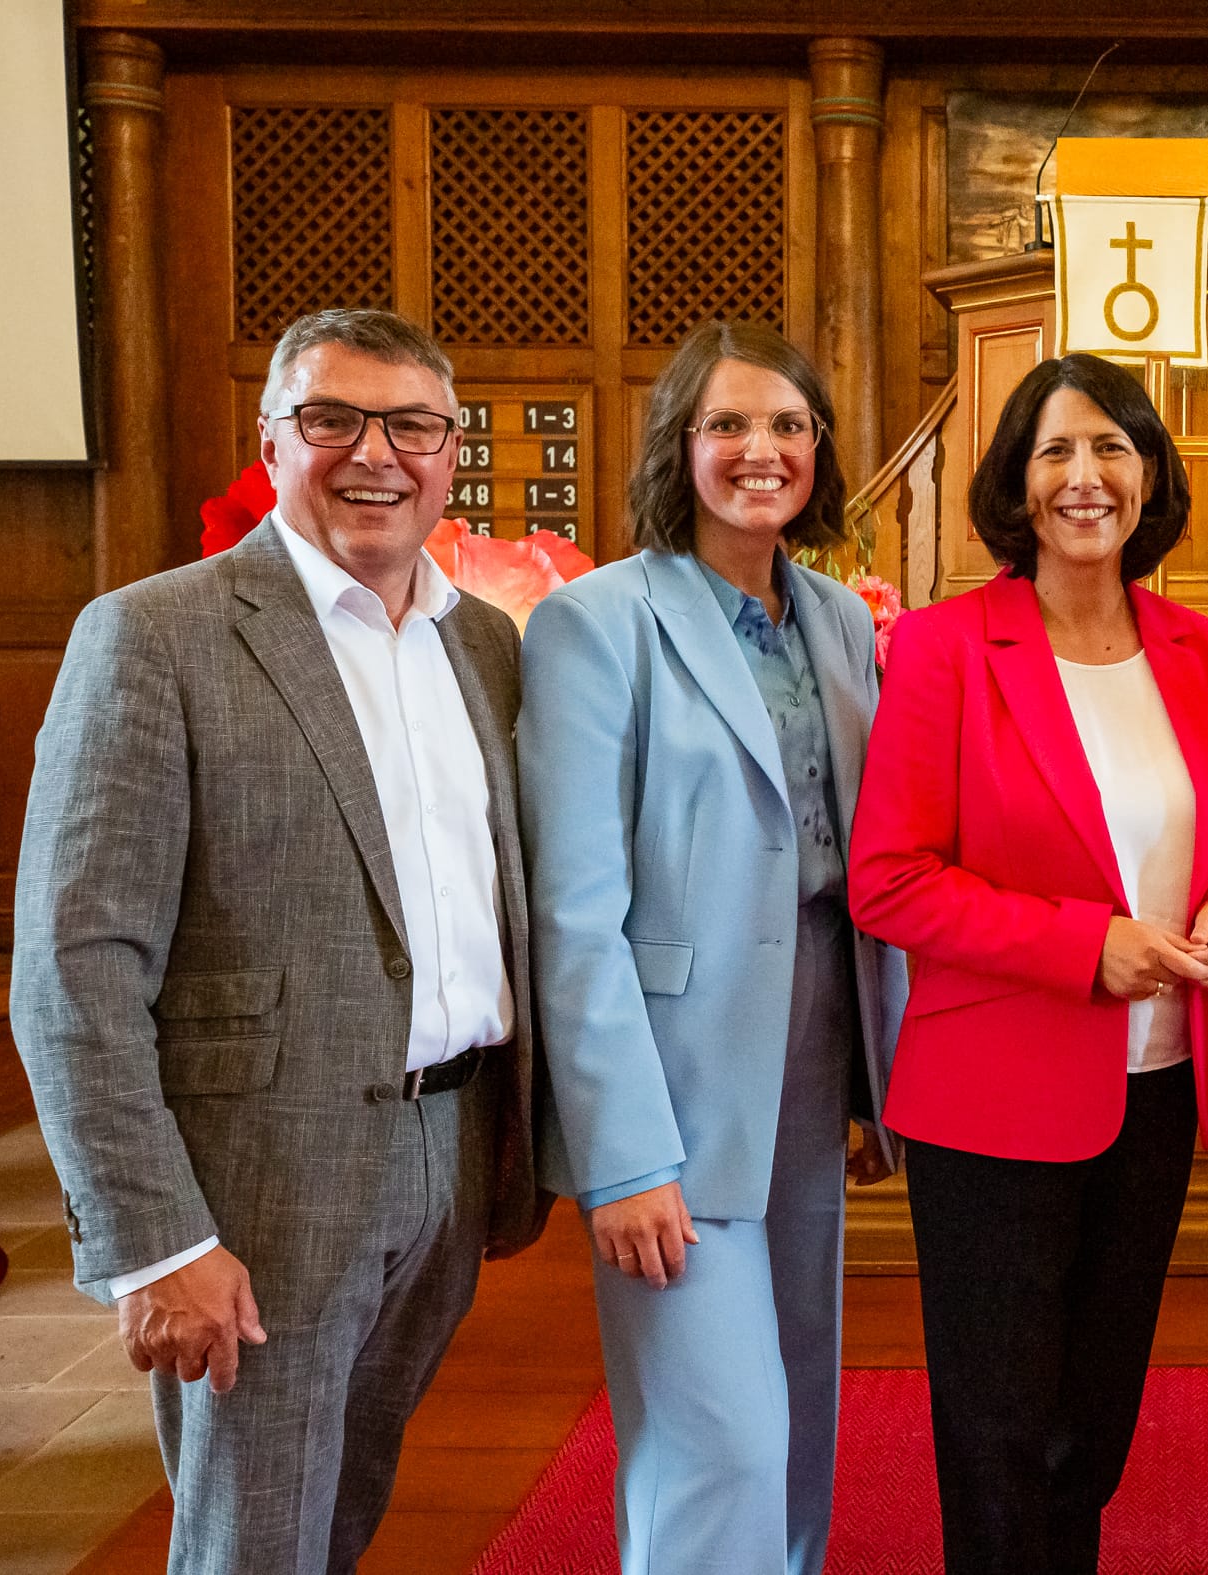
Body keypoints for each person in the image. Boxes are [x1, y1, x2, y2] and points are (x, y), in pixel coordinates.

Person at [11, 307, 547, 1574]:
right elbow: (74, 969)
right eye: (332, 419)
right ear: (272, 443)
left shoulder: (482, 643)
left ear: (451, 453)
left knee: (343, 1510)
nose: (376, 453)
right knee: (252, 1540)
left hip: (451, 1145)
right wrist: (156, 1239)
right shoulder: (155, 634)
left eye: (411, 426)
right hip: (259, 1181)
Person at [848, 352, 1208, 1575]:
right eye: (1056, 451)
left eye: (1112, 449)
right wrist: (1088, 947)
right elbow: (890, 880)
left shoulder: (1197, 647)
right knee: (1000, 1436)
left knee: (1096, 1423)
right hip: (994, 1097)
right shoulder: (944, 648)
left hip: (1157, 1088)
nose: (1086, 477)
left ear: (1150, 477)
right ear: (1016, 485)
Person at [518, 319, 903, 1575]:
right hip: (674, 1088)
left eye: (788, 425)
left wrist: (878, 1084)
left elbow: (861, 864)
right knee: (716, 1442)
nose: (760, 449)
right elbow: (575, 914)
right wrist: (623, 1155)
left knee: (794, 1419)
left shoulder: (835, 621)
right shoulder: (596, 625)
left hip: (811, 1061)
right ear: (677, 445)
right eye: (727, 424)